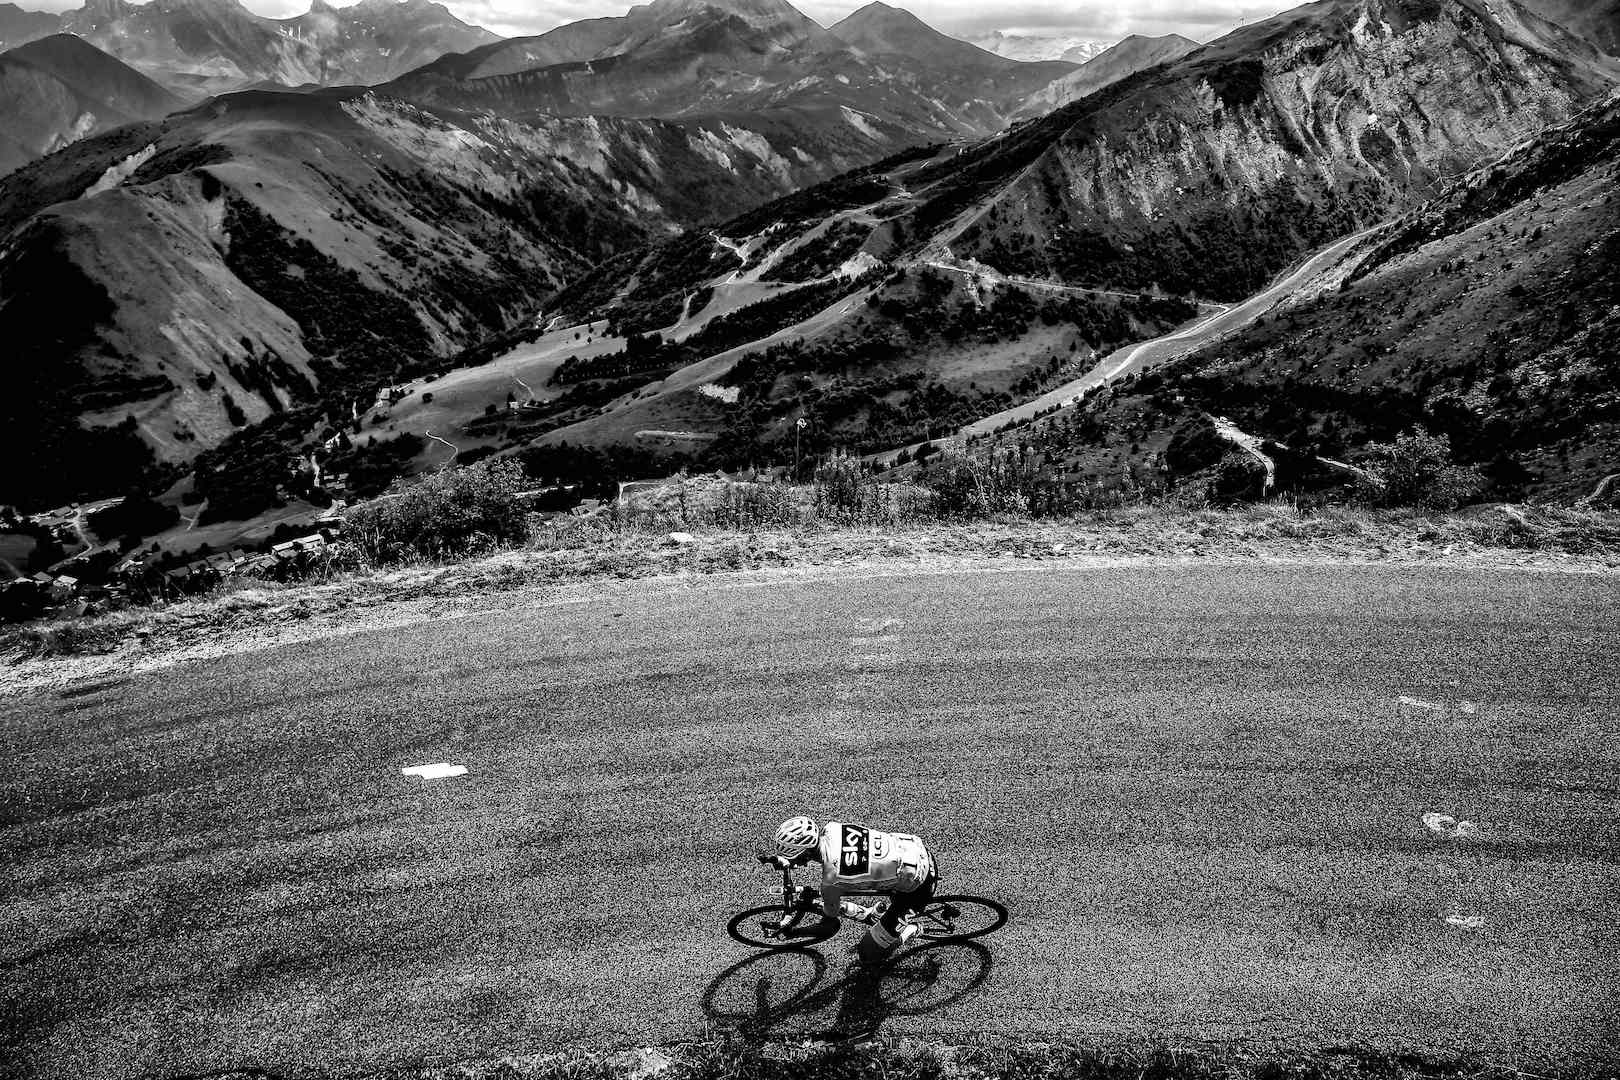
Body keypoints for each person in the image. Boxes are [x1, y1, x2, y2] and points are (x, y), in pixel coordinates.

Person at [767, 816, 938, 962]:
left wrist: (792, 933)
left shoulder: (831, 879)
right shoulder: (832, 828)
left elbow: (829, 926)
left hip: (919, 886)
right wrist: (782, 860)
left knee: (867, 954)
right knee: (865, 877)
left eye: (793, 856)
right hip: (912, 849)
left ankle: (913, 929)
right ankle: (874, 914)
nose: (792, 861)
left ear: (805, 854)